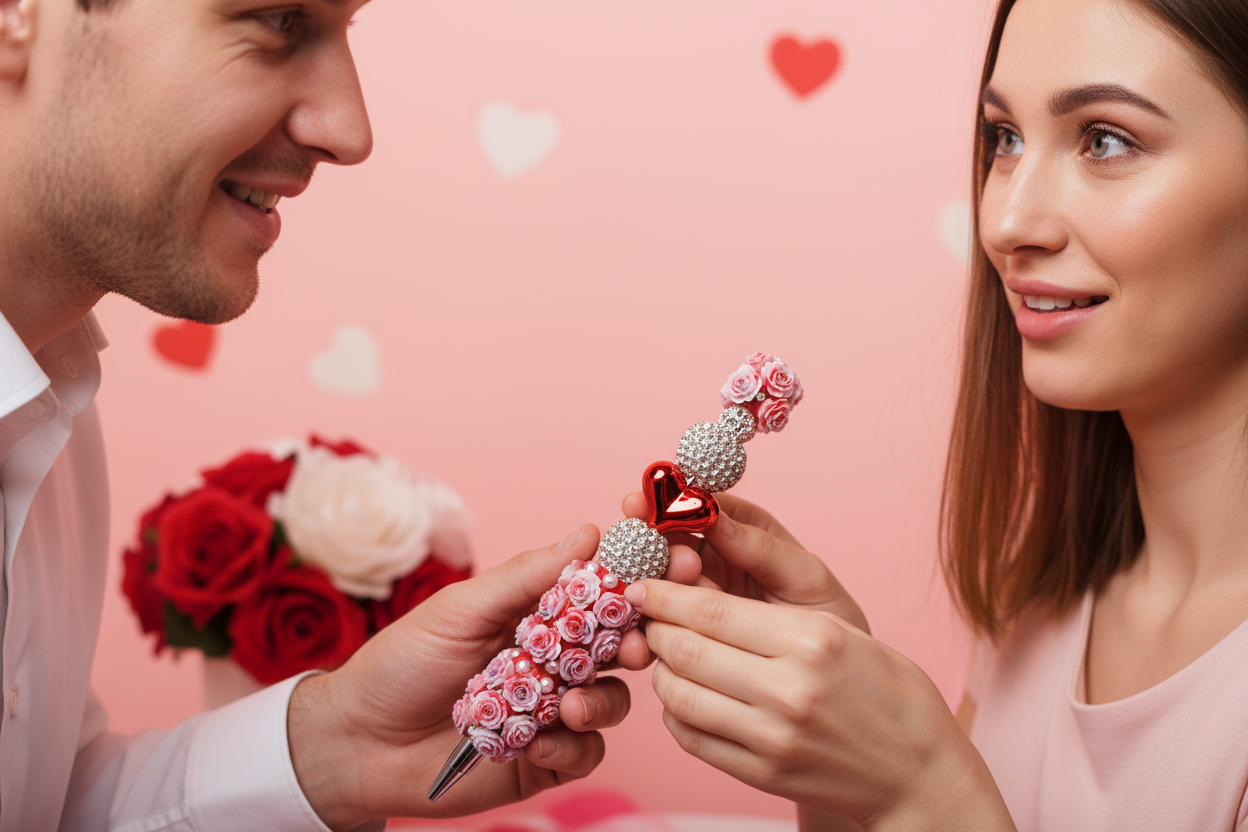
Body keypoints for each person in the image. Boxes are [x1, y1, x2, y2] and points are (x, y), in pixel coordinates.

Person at [0, 0, 669, 829]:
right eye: (279, 20)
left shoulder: (46, 401)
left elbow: (38, 807)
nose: (350, 131)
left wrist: (334, 746)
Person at [620, 0, 1248, 829]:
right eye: (1004, 138)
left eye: (1106, 139)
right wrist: (846, 763)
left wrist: (922, 785)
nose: (1007, 220)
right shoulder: (1043, 614)